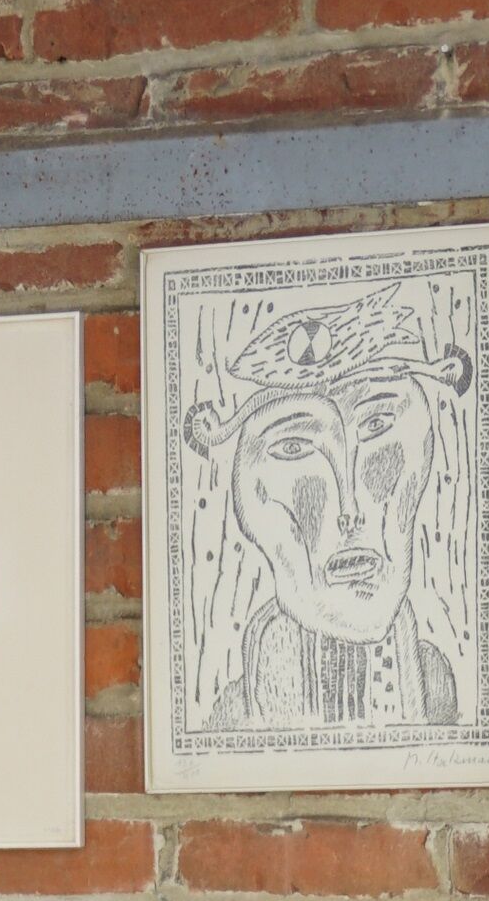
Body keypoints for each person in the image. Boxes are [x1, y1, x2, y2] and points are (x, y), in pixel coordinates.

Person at [187, 282, 473, 734]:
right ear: (247, 498)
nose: (349, 506)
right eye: (295, 446)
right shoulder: (230, 723)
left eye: (378, 426)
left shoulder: (439, 691)